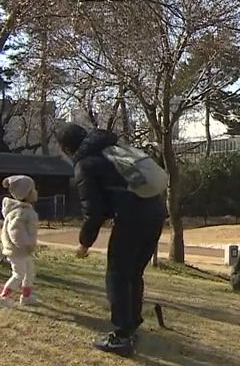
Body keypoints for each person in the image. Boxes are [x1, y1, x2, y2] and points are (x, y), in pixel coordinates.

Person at [57, 124, 166, 358]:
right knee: (133, 273)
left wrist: (84, 243)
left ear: (66, 148)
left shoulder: (85, 164)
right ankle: (131, 325)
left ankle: (121, 336)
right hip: (156, 211)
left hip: (133, 219)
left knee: (117, 275)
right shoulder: (112, 149)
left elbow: (94, 212)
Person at [0, 175, 40, 307]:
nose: (36, 192)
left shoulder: (26, 210)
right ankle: (2, 297)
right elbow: (15, 231)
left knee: (29, 272)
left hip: (24, 252)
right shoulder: (19, 212)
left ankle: (26, 296)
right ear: (25, 194)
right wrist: (27, 244)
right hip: (17, 251)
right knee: (18, 274)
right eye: (33, 190)